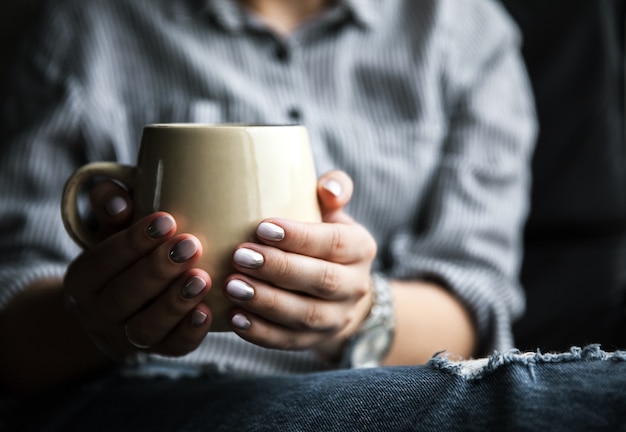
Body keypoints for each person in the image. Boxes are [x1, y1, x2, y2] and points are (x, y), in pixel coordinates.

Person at [1, 0, 625, 430]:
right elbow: (12, 321)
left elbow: (474, 300)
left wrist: (357, 313)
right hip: (144, 396)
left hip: (399, 386)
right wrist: (100, 318)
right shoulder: (87, 30)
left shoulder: (462, 30)